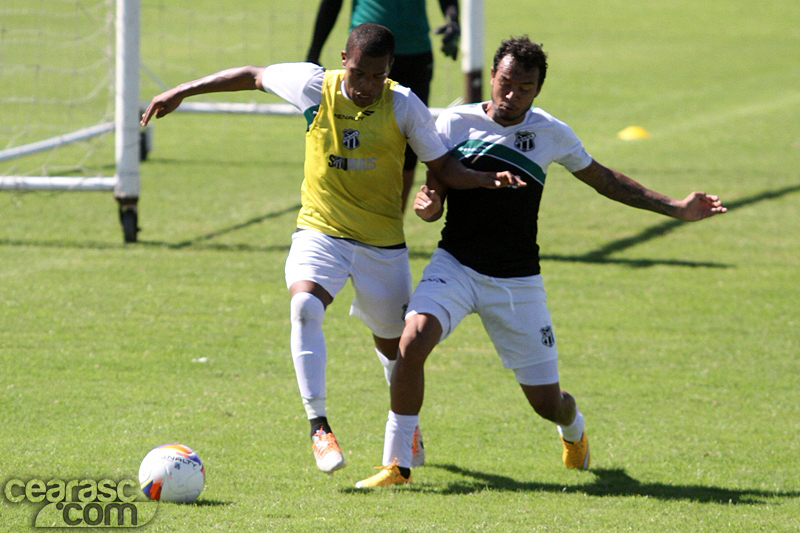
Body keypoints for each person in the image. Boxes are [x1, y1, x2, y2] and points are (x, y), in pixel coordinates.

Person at [140, 24, 522, 476]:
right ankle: (319, 427)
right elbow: (252, 75)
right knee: (304, 306)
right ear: (344, 60)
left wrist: (480, 180)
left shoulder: (404, 105)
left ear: (390, 70)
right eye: (358, 73)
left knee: (395, 349)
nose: (366, 86)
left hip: (381, 244)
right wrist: (182, 91)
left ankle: (407, 426)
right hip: (320, 230)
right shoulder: (313, 86)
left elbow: (443, 166)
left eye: (377, 76)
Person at [355, 36, 727, 488]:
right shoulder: (453, 122)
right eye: (505, 83)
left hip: (516, 283)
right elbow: (436, 192)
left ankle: (573, 428)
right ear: (492, 76)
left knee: (547, 404)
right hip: (455, 265)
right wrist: (429, 205)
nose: (512, 95)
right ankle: (398, 463)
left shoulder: (550, 132)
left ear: (538, 90)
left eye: (524, 88)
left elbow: (605, 180)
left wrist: (675, 207)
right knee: (411, 342)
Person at [306, 0, 460, 211]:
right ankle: (347, 214)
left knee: (409, 148)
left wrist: (453, 20)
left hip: (415, 54)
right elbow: (331, 4)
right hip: (364, 54)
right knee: (355, 137)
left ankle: (393, 218)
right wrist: (314, 53)